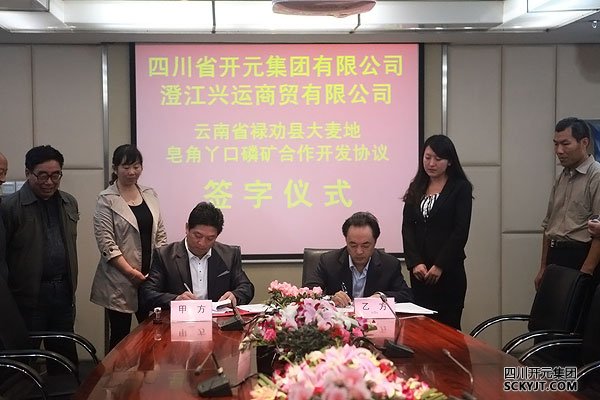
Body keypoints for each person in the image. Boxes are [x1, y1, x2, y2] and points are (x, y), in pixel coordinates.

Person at [1, 145, 79, 368]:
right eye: (42, 175)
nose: (49, 182)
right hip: (27, 297)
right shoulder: (10, 207)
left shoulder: (68, 202)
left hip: (63, 293)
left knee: (64, 359)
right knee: (24, 361)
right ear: (28, 173)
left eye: (56, 175)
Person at [90, 145, 168, 351]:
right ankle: (116, 373)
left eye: (136, 166)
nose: (132, 172)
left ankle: (147, 372)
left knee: (153, 334)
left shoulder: (150, 194)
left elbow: (160, 234)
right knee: (120, 337)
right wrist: (131, 273)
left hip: (150, 278)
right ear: (115, 168)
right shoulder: (106, 199)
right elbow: (107, 243)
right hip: (119, 279)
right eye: (126, 167)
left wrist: (158, 270)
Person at [402, 135, 473, 330]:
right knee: (421, 329)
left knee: (448, 330)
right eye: (427, 157)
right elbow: (407, 227)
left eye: (438, 159)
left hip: (448, 273)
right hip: (420, 273)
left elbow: (460, 231)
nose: (431, 163)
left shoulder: (460, 188)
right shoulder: (417, 185)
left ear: (449, 161)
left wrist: (440, 265)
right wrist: (415, 262)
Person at [139, 201, 254, 310]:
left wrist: (235, 296)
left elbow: (247, 287)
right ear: (187, 228)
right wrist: (175, 300)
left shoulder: (229, 255)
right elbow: (147, 293)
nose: (202, 243)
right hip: (179, 320)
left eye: (210, 238)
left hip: (218, 320)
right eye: (197, 236)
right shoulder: (165, 256)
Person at [536, 117, 600, 290]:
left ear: (584, 142)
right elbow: (548, 225)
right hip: (555, 256)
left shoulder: (596, 175)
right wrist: (543, 267)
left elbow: (599, 233)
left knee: (576, 306)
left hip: (580, 256)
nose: (559, 150)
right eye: (556, 144)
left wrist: (585, 272)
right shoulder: (562, 177)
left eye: (565, 144)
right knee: (548, 307)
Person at [303, 211, 413, 307]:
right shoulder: (328, 261)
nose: (359, 251)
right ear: (346, 240)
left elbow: (406, 295)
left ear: (375, 242)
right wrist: (331, 298)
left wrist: (382, 296)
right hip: (340, 321)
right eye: (353, 245)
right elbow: (308, 291)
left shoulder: (389, 264)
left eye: (365, 245)